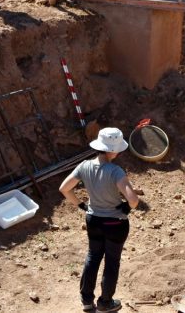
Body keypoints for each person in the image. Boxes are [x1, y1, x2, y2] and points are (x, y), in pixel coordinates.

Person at [59, 127, 140, 313]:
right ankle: (105, 303)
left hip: (93, 220)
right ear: (113, 150)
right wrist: (127, 207)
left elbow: (64, 188)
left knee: (93, 256)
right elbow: (134, 200)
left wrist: (81, 206)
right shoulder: (116, 171)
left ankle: (87, 301)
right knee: (112, 261)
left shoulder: (84, 166)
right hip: (115, 224)